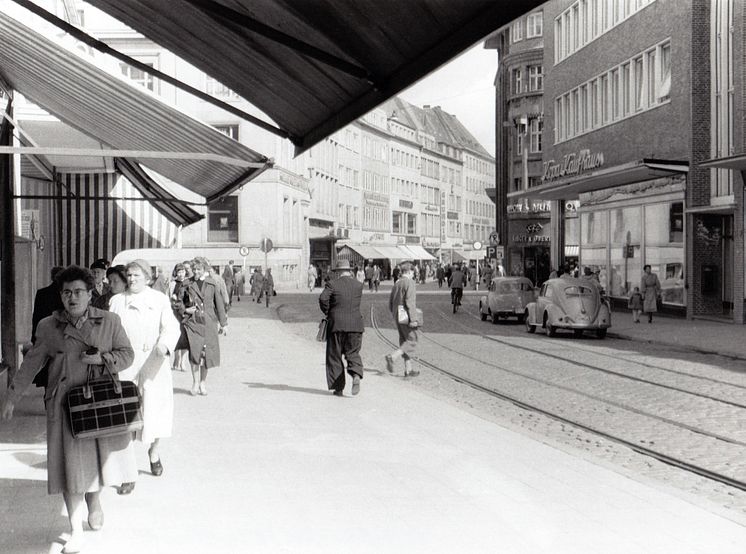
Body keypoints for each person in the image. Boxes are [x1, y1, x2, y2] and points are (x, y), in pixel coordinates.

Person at [1, 265, 136, 554]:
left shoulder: (109, 321)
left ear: (90, 294)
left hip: (96, 403)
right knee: (67, 469)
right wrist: (12, 397)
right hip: (63, 405)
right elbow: (32, 363)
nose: (72, 298)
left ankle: (94, 501)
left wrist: (103, 359)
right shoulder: (48, 326)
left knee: (95, 465)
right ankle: (76, 530)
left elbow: (127, 355)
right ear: (60, 296)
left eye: (78, 292)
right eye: (66, 293)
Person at [109, 260, 180, 494]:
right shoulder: (117, 302)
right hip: (126, 364)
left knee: (156, 414)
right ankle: (128, 473)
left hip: (154, 363)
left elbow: (172, 327)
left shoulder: (158, 299)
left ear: (147, 277)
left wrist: (164, 346)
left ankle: (154, 452)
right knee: (126, 418)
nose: (131, 279)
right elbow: (109, 331)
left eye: (137, 275)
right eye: (129, 275)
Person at [318, 259, 364, 396]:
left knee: (334, 356)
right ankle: (356, 375)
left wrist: (328, 311)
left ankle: (338, 388)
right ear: (349, 271)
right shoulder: (358, 285)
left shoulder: (332, 284)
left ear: (337, 272)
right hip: (356, 325)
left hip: (336, 325)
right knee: (353, 353)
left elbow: (322, 299)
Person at [184, 258, 228, 394]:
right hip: (194, 322)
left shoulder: (212, 283)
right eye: (194, 269)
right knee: (195, 353)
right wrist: (185, 310)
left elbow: (219, 304)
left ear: (205, 269)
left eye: (199, 269)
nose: (196, 271)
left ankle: (203, 383)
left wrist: (223, 323)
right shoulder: (187, 283)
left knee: (206, 354)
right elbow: (179, 302)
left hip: (209, 322)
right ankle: (195, 382)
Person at [29, 266, 65, 389]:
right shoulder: (65, 294)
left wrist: (34, 338)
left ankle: (48, 400)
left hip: (45, 337)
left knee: (47, 372)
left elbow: (36, 318)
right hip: (62, 338)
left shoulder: (42, 293)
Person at [385, 262, 421, 377]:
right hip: (406, 315)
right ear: (410, 272)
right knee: (412, 340)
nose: (413, 275)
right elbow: (410, 301)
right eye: (413, 273)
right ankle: (393, 357)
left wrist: (395, 314)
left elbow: (390, 302)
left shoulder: (397, 283)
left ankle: (408, 369)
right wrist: (413, 319)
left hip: (398, 315)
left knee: (404, 340)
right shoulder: (409, 282)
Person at [169, 263, 191, 371]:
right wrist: (171, 298)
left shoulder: (189, 283)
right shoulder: (173, 283)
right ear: (176, 273)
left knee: (185, 337)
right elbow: (167, 297)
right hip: (175, 313)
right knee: (176, 336)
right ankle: (176, 358)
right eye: (179, 271)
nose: (181, 274)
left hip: (186, 313)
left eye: (182, 271)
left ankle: (183, 361)